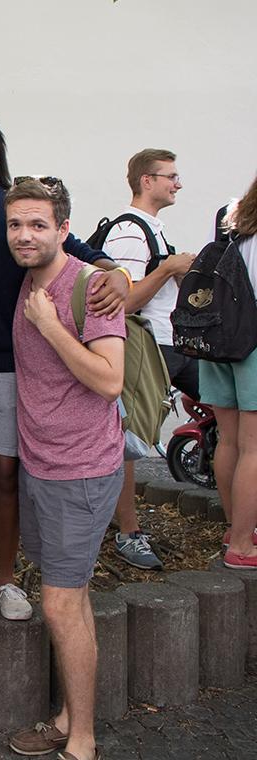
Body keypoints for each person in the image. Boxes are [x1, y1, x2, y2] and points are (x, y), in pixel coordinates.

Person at [0, 109, 129, 623]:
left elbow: (81, 250)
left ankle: (7, 579)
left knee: (5, 473)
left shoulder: (14, 210)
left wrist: (118, 273)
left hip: (4, 367)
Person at [5, 177, 125, 760]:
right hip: (42, 465)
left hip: (81, 470)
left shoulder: (90, 287)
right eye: (15, 225)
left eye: (37, 224)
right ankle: (65, 719)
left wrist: (51, 325)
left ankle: (82, 741)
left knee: (61, 601)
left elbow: (109, 379)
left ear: (63, 229)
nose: (25, 235)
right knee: (67, 600)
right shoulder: (30, 282)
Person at [100, 149, 197, 571]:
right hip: (145, 350)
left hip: (165, 347)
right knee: (128, 442)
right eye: (170, 176)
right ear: (146, 180)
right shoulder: (128, 232)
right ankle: (127, 531)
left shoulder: (150, 229)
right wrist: (168, 269)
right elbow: (119, 303)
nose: (177, 184)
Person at [206, 174, 257, 570]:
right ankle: (242, 544)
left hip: (217, 343)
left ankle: (234, 525)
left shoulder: (236, 228)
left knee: (229, 440)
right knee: (255, 448)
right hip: (253, 347)